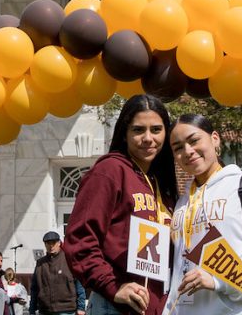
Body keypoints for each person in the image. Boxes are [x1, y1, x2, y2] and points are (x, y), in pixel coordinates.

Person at [163, 114, 242, 315]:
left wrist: (217, 280)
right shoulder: (182, 202)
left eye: (194, 140)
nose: (187, 151)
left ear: (215, 138)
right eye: (178, 148)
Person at [64, 94, 178, 315]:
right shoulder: (109, 172)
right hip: (115, 305)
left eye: (156, 129)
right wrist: (112, 286)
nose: (147, 138)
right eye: (138, 130)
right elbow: (80, 238)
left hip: (155, 306)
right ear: (124, 134)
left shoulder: (161, 184)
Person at [29, 231, 86, 315]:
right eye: (48, 243)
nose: (51, 246)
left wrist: (81, 307)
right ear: (45, 244)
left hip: (67, 310)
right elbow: (34, 288)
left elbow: (79, 284)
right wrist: (32, 309)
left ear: (59, 243)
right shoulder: (40, 264)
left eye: (53, 243)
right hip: (45, 310)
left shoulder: (69, 260)